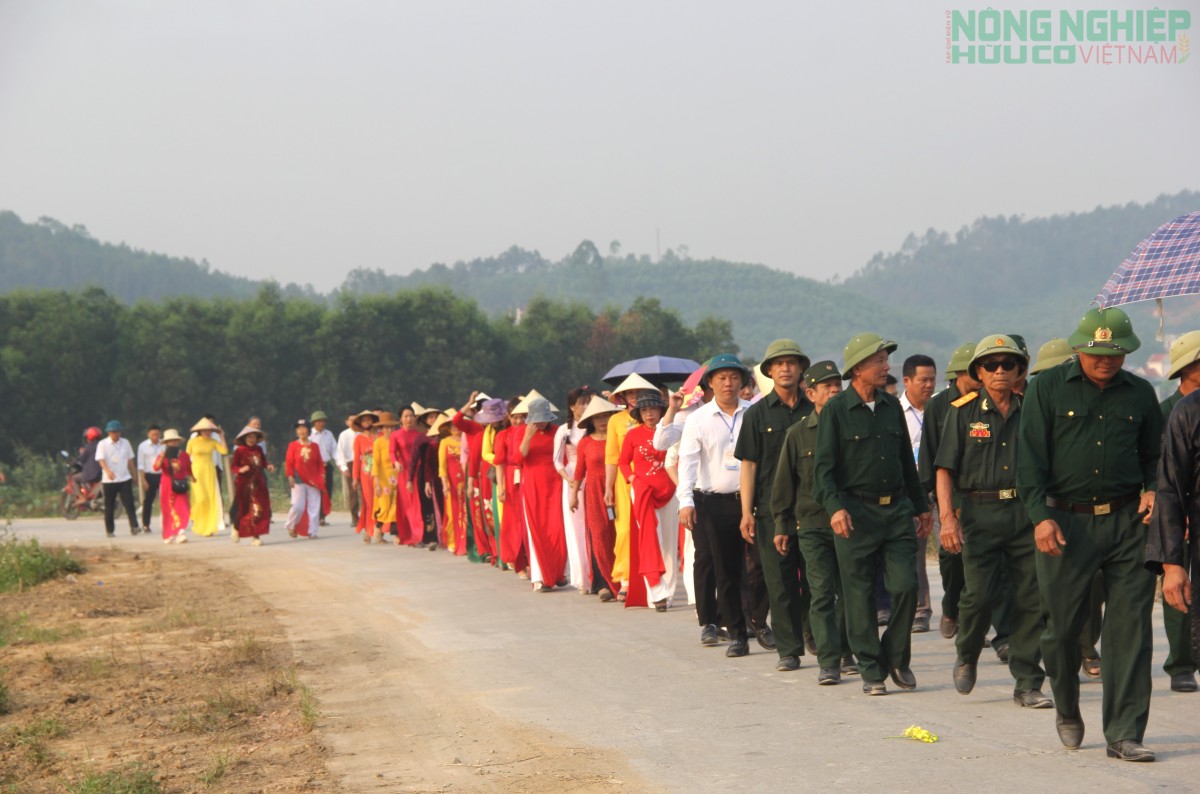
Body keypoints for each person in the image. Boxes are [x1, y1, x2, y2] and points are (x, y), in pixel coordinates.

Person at [1017, 307, 1161, 761]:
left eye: (1116, 353)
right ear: (1080, 347)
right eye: (1098, 353)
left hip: (1126, 525)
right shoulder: (1046, 390)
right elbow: (1030, 464)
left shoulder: (1140, 394)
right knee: (1060, 632)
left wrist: (1155, 490)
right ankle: (1067, 705)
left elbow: (1156, 458)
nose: (1106, 361)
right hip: (1065, 525)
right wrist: (1040, 517)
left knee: (1131, 631)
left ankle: (1124, 733)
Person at [936, 335, 1051, 709]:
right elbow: (944, 469)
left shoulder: (1031, 408)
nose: (1000, 371)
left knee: (1030, 599)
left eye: (1008, 364)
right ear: (979, 373)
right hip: (978, 514)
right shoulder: (963, 411)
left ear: (1020, 371)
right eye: (991, 365)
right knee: (978, 595)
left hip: (1024, 512)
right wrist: (947, 519)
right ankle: (967, 654)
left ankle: (1028, 681)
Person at [813, 333, 932, 695]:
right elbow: (824, 470)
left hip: (896, 510)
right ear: (858, 368)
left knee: (905, 586)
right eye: (879, 361)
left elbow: (905, 465)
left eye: (886, 360)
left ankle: (896, 656)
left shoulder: (891, 405)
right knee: (859, 594)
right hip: (855, 513)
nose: (887, 367)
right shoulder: (835, 411)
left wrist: (921, 506)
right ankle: (870, 669)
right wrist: (835, 508)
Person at [772, 361, 857, 684]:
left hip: (849, 523)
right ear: (811, 393)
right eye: (827, 386)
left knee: (849, 591)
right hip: (811, 524)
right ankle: (829, 660)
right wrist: (782, 525)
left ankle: (847, 649)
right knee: (821, 592)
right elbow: (784, 484)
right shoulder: (797, 434)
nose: (835, 391)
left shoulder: (853, 427)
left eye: (838, 385)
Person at [735, 339, 812, 671]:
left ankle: (819, 638)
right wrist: (746, 512)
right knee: (779, 582)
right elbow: (749, 466)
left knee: (816, 580)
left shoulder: (816, 409)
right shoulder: (756, 414)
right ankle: (789, 649)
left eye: (791, 362)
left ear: (800, 368)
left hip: (812, 509)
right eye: (778, 363)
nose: (785, 368)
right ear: (768, 370)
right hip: (769, 510)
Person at [677, 354, 755, 657]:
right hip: (714, 502)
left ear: (743, 382)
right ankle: (735, 631)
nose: (728, 383)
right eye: (721, 378)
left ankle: (759, 622)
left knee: (760, 568)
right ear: (710, 383)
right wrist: (686, 501)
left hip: (751, 501)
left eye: (734, 377)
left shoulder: (754, 412)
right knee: (725, 569)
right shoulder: (697, 419)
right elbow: (688, 462)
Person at [916, 342, 980, 639]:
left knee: (982, 559)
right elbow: (930, 454)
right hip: (946, 496)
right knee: (952, 556)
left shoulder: (987, 401)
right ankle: (951, 608)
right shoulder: (938, 406)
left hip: (981, 495)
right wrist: (930, 500)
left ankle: (980, 621)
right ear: (958, 375)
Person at [1150, 330, 1200, 693]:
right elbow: (1162, 474)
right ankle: (1181, 662)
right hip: (1176, 517)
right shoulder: (1172, 412)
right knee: (1181, 592)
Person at [619, 392, 680, 611]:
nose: (649, 414)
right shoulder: (632, 435)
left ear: (661, 411)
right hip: (643, 493)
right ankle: (656, 594)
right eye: (644, 410)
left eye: (653, 409)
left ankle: (670, 593)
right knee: (650, 540)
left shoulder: (671, 433)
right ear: (639, 414)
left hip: (670, 490)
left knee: (670, 543)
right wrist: (633, 479)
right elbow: (623, 463)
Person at [606, 373, 657, 600]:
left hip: (655, 481)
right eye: (630, 393)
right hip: (626, 481)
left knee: (653, 530)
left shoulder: (653, 417)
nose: (634, 397)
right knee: (626, 530)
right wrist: (608, 488)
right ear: (623, 396)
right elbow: (612, 457)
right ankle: (626, 578)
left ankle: (651, 580)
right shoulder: (615, 421)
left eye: (638, 392)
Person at [900, 354, 937, 633]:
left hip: (942, 488)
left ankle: (957, 610)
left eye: (932, 379)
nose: (928, 385)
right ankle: (920, 609)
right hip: (912, 492)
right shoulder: (894, 412)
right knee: (915, 552)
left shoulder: (941, 410)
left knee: (953, 553)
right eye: (923, 380)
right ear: (907, 381)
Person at [570, 397, 621, 601]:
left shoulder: (617, 438)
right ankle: (603, 583)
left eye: (606, 416)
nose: (602, 420)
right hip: (594, 492)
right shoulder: (585, 443)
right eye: (598, 417)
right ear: (590, 420)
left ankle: (622, 581)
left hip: (618, 489)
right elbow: (579, 472)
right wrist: (573, 495)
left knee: (618, 534)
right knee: (599, 536)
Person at [516, 396, 569, 592]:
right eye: (536, 419)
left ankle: (558, 573)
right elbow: (516, 458)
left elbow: (563, 456)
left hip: (555, 484)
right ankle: (542, 577)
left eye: (543, 418)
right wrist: (527, 437)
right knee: (537, 531)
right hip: (533, 487)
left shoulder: (557, 432)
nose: (540, 422)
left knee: (557, 529)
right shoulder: (522, 432)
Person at [556, 387, 594, 592]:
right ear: (572, 407)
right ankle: (582, 577)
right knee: (577, 529)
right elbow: (556, 461)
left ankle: (597, 574)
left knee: (594, 526)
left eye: (588, 402)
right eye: (582, 403)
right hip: (573, 479)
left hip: (594, 476)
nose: (586, 406)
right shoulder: (564, 430)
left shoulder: (593, 428)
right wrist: (569, 480)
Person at [493, 396, 530, 577]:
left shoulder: (531, 433)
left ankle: (530, 559)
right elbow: (499, 463)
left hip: (529, 476)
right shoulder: (503, 435)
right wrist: (500, 487)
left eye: (523, 416)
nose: (519, 420)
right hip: (510, 480)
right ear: (508, 416)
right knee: (515, 522)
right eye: (515, 416)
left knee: (529, 520)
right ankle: (518, 562)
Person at [95, 420, 140, 537]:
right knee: (109, 505)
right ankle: (110, 530)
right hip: (109, 480)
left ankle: (134, 526)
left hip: (124, 477)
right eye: (114, 432)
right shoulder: (103, 444)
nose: (116, 434)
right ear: (109, 433)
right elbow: (101, 460)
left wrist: (134, 474)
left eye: (118, 432)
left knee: (129, 503)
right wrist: (108, 471)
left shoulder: (125, 443)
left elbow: (130, 459)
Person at [390, 406, 428, 546]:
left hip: (418, 472)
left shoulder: (419, 435)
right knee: (407, 505)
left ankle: (419, 535)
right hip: (403, 472)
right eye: (406, 416)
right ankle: (408, 534)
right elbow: (392, 452)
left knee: (417, 503)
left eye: (411, 416)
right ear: (400, 419)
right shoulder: (396, 435)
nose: (409, 419)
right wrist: (396, 463)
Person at [285, 419, 327, 540]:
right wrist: (290, 476)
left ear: (309, 431)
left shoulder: (315, 446)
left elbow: (320, 463)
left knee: (314, 507)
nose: (301, 431)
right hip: (298, 478)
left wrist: (322, 475)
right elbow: (289, 463)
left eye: (304, 428)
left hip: (314, 480)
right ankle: (291, 525)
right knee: (298, 506)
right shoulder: (292, 445)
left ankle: (312, 531)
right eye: (299, 429)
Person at [186, 417, 228, 537]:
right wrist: (188, 473)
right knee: (200, 498)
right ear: (200, 431)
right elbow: (186, 458)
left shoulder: (213, 442)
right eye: (204, 430)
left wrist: (222, 436)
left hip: (209, 470)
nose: (207, 433)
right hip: (196, 471)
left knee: (210, 498)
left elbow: (224, 451)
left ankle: (210, 526)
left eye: (209, 430)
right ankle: (199, 523)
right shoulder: (192, 442)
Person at [231, 424, 272, 546]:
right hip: (244, 484)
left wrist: (268, 466)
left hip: (258, 482)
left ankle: (256, 536)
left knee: (258, 508)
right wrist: (240, 469)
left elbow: (263, 462)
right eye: (249, 436)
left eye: (254, 436)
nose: (252, 439)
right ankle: (236, 527)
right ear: (244, 438)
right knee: (244, 509)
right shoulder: (240, 450)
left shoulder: (258, 449)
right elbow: (234, 466)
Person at [153, 429, 193, 543]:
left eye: (175, 441)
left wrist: (192, 477)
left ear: (178, 442)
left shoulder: (184, 455)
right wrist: (162, 458)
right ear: (166, 443)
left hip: (180, 485)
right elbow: (156, 468)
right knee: (168, 510)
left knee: (184, 508)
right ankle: (169, 534)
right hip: (167, 485)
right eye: (170, 441)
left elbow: (189, 467)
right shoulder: (162, 455)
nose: (173, 443)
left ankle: (181, 532)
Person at [439, 415, 469, 554]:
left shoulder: (466, 439)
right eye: (452, 426)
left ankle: (466, 542)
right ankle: (452, 541)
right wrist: (445, 483)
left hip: (466, 480)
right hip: (452, 482)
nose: (455, 428)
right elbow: (442, 465)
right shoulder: (445, 442)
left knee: (466, 512)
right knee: (452, 512)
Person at [372, 411, 401, 543]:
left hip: (397, 477)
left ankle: (396, 535)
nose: (389, 430)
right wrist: (376, 483)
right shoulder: (378, 443)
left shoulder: (398, 441)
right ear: (382, 429)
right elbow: (375, 464)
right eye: (386, 427)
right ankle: (378, 530)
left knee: (396, 506)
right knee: (384, 506)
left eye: (391, 427)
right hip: (383, 480)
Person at [352, 410, 380, 539]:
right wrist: (355, 478)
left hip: (380, 475)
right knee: (369, 503)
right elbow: (357, 459)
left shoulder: (380, 436)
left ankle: (379, 530)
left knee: (380, 502)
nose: (367, 422)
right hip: (366, 475)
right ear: (360, 423)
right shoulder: (358, 439)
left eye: (369, 419)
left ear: (373, 421)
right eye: (364, 420)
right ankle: (369, 530)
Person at [309, 411, 338, 527]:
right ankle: (314, 516)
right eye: (319, 421)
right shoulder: (309, 435)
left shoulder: (329, 434)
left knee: (327, 491)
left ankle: (322, 516)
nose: (321, 423)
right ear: (314, 423)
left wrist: (341, 465)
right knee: (315, 492)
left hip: (326, 465)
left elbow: (335, 450)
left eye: (323, 421)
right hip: (314, 467)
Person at [136, 425, 165, 535]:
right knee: (148, 501)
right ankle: (146, 524)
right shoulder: (143, 446)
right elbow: (140, 465)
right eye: (153, 435)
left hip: (163, 474)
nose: (155, 437)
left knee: (165, 500)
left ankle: (166, 523)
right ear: (148, 434)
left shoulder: (164, 444)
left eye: (157, 434)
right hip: (149, 475)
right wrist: (143, 480)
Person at [336, 413, 361, 526]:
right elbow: (340, 452)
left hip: (363, 462)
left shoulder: (362, 433)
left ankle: (367, 515)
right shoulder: (344, 435)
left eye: (356, 420)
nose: (353, 422)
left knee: (366, 490)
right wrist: (344, 467)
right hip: (350, 463)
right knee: (353, 491)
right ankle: (355, 516)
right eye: (351, 420)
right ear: (347, 422)